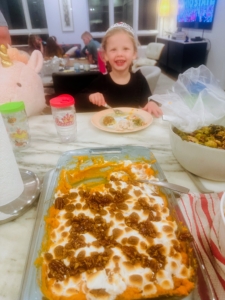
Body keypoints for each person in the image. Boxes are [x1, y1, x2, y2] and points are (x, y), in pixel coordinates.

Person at [85, 22, 162, 117]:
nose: (119, 54)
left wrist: (152, 103)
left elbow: (149, 101)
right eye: (113, 49)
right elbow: (79, 101)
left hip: (132, 128)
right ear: (105, 56)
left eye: (125, 49)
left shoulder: (139, 80)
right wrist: (90, 97)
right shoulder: (100, 81)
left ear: (134, 53)